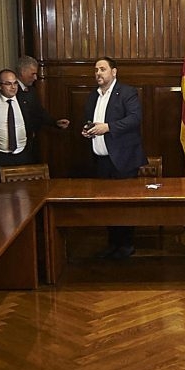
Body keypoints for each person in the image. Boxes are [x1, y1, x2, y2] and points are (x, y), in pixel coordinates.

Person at [82, 57, 146, 259]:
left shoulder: (127, 93)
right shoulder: (94, 95)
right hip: (101, 160)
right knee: (106, 205)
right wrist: (88, 130)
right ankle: (113, 243)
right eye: (96, 70)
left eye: (102, 69)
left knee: (124, 204)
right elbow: (91, 120)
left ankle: (126, 244)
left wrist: (108, 127)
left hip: (123, 159)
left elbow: (135, 119)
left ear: (114, 72)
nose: (98, 73)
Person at [0, 68, 67, 176]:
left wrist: (55, 122)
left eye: (15, 83)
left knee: (24, 188)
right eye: (8, 84)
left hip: (23, 153)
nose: (13, 87)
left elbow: (40, 114)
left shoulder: (27, 99)